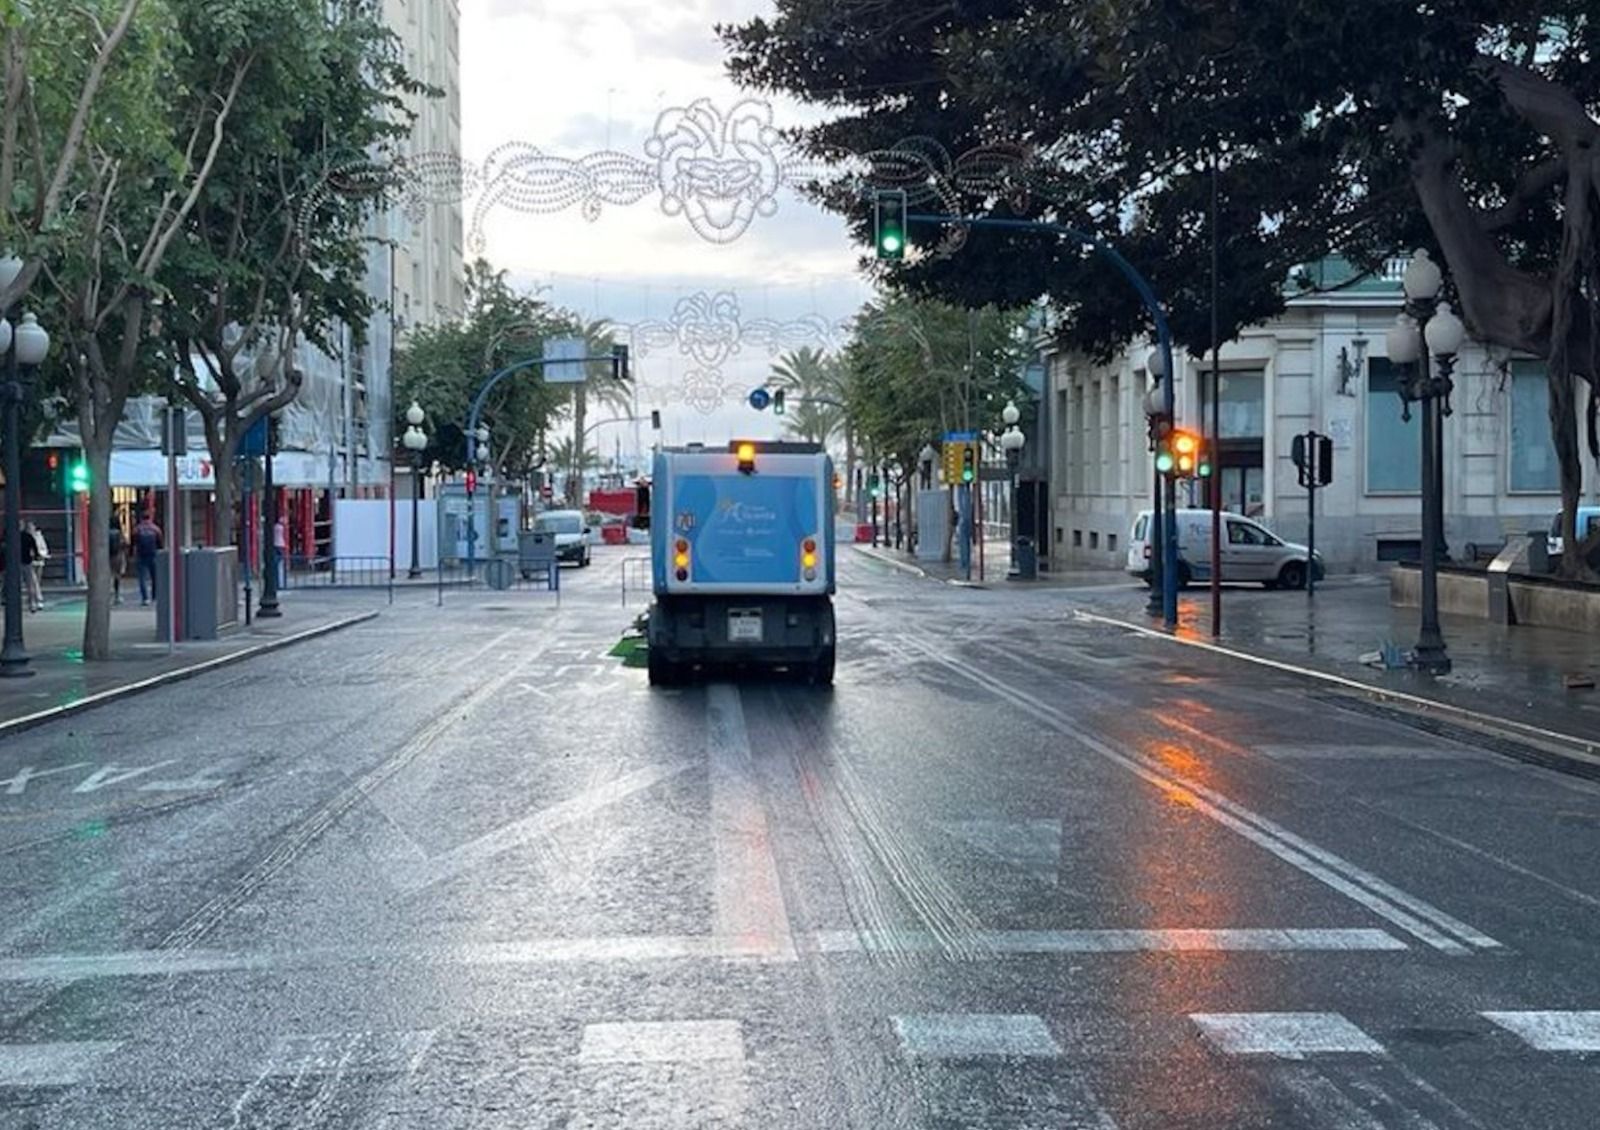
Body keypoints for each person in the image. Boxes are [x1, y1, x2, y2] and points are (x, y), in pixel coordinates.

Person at [132, 513, 163, 606]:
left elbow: (133, 543)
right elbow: (160, 543)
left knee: (142, 578)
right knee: (155, 577)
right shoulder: (156, 529)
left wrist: (132, 553)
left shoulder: (137, 529)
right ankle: (154, 596)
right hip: (153, 555)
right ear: (150, 518)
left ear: (141, 518)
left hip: (141, 555)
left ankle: (145, 598)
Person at [22, 521, 47, 612]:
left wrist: (39, 555)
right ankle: (36, 600)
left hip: (36, 561)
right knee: (34, 582)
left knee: (35, 582)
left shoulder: (37, 537)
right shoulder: (28, 537)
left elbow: (42, 548)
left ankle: (35, 600)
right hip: (30, 562)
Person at [109, 517, 127, 604]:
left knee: (109, 576)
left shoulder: (107, 533)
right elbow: (124, 543)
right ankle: (117, 596)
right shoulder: (119, 534)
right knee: (117, 576)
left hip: (108, 556)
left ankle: (108, 595)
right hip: (118, 556)